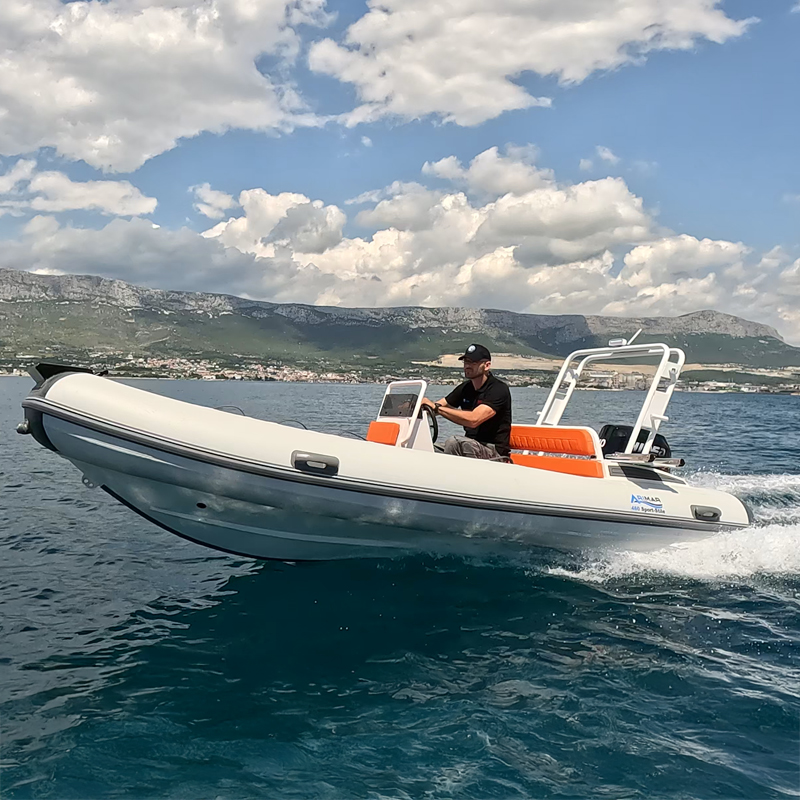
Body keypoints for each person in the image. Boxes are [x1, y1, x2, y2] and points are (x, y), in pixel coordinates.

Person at [421, 344, 512, 460]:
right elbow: (439, 405)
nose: (467, 366)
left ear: (487, 365)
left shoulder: (498, 389)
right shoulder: (465, 388)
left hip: (494, 452)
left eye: (473, 362)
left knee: (455, 443)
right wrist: (420, 407)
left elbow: (474, 420)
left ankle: (451, 476)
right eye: (466, 362)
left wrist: (436, 408)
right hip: (470, 446)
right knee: (426, 448)